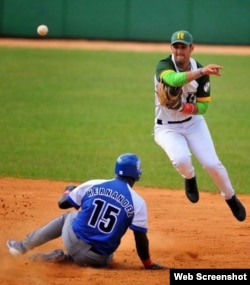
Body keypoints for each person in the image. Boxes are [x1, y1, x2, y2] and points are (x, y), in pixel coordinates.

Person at [7, 153, 164, 269]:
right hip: (100, 260)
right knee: (108, 247)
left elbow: (63, 204)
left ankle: (22, 247)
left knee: (69, 216)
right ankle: (66, 258)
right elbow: (141, 240)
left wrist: (68, 191)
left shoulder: (94, 184)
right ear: (137, 175)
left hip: (73, 242)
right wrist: (148, 264)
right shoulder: (138, 202)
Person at [153, 30, 246, 222]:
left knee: (213, 164)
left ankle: (230, 197)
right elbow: (173, 80)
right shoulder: (164, 65)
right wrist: (201, 72)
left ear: (191, 48)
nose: (179, 51)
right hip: (166, 127)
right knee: (181, 159)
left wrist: (183, 107)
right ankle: (190, 178)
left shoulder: (201, 71)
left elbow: (203, 107)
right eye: (176, 46)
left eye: (183, 47)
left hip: (194, 123)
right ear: (171, 48)